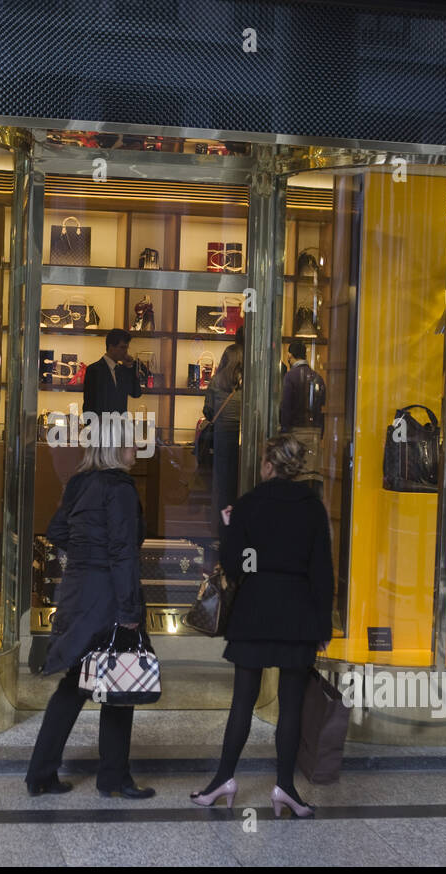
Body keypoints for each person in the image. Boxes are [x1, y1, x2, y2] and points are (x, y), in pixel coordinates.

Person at [191, 434, 334, 817]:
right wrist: (323, 626)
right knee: (290, 708)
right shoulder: (312, 508)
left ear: (269, 465)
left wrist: (228, 528)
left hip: (254, 612)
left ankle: (223, 779)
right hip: (298, 615)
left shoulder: (249, 506)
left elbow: (238, 568)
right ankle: (285, 788)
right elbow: (322, 572)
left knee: (242, 702)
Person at [24, 415, 155, 799]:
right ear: (116, 446)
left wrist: (85, 554)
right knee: (120, 685)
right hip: (111, 597)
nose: (136, 447)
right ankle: (114, 779)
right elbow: (123, 553)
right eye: (131, 442)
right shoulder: (121, 489)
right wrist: (130, 610)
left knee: (73, 686)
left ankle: (40, 775)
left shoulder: (80, 483)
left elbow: (57, 531)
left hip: (78, 594)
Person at [204, 328, 243, 533]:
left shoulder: (215, 382)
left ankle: (224, 528)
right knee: (242, 485)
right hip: (243, 441)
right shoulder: (248, 384)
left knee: (223, 488)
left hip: (222, 440)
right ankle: (239, 528)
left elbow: (208, 411)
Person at [82, 328, 143, 415]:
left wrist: (130, 367)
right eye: (122, 347)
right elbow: (89, 404)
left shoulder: (123, 370)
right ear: (111, 347)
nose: (126, 352)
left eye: (126, 347)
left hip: (120, 425)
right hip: (100, 425)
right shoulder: (94, 370)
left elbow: (136, 393)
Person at [280, 342, 326, 434]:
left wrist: (284, 429)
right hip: (314, 431)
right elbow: (322, 405)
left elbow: (286, 406)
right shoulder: (317, 377)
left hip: (295, 431)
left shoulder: (289, 377)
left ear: (289, 355)